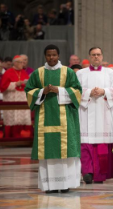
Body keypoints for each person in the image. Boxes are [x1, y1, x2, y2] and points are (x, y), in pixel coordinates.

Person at [25, 44, 82, 193]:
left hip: (65, 118)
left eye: (54, 55)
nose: (51, 58)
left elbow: (77, 91)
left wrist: (60, 91)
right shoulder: (38, 73)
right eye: (49, 55)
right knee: (47, 153)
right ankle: (49, 185)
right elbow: (29, 91)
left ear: (59, 56)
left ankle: (64, 184)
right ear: (45, 56)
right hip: (45, 117)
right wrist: (42, 91)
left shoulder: (68, 72)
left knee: (65, 150)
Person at [77, 47, 113, 184]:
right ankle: (88, 172)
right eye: (93, 55)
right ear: (89, 57)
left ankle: (100, 174)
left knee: (102, 146)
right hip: (86, 112)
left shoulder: (110, 73)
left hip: (103, 113)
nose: (96, 57)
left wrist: (105, 91)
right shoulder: (80, 74)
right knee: (86, 144)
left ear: (102, 56)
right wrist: (88, 93)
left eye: (98, 54)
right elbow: (75, 90)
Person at [0, 55, 32, 138]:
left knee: (23, 119)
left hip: (23, 98)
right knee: (12, 120)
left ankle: (24, 139)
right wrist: (16, 84)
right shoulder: (8, 72)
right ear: (15, 63)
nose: (23, 64)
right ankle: (10, 139)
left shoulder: (24, 72)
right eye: (21, 62)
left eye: (23, 62)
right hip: (11, 99)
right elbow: (3, 87)